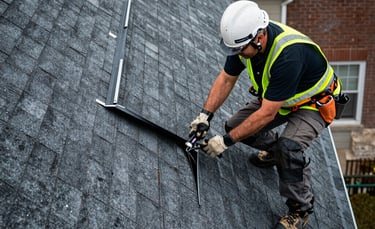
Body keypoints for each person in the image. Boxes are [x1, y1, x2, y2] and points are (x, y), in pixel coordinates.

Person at [189, 1, 343, 229]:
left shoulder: (288, 56)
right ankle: (275, 153)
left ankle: (301, 209)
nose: (237, 54)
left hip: (314, 104)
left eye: (240, 50)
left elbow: (267, 113)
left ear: (259, 37)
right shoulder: (243, 41)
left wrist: (225, 142)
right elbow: (226, 79)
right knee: (235, 126)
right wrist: (205, 116)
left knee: (289, 148)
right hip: (283, 100)